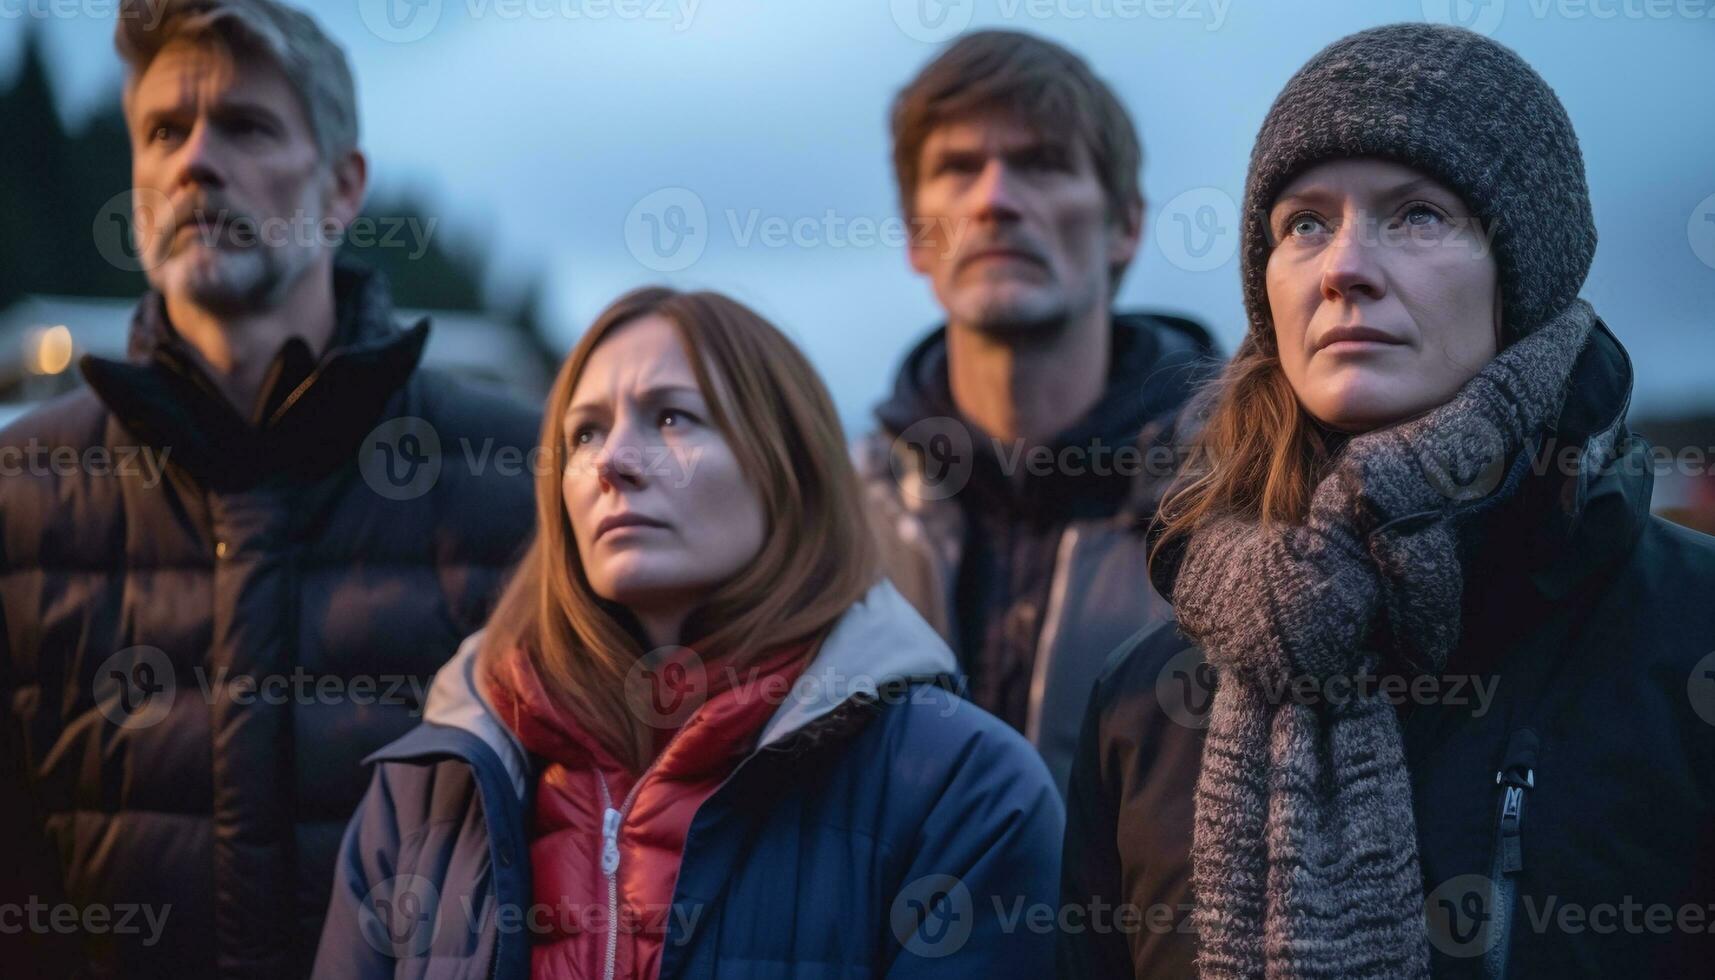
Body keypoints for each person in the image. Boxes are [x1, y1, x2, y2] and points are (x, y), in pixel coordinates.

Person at [1060, 23, 1715, 980]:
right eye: (1304, 223)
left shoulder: (1685, 634)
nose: (1343, 268)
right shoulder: (1144, 699)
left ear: (1522, 271)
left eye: (1415, 215)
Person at [0, 1, 538, 975]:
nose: (196, 161)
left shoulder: (515, 480)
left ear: (342, 188)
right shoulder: (23, 491)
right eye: (163, 131)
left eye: (246, 126)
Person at [313, 287, 1064, 979]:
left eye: (673, 416)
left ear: (790, 470)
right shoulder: (433, 787)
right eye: (584, 434)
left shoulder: (963, 787)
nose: (612, 462)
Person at [856, 30, 1218, 796]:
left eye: (1041, 164)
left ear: (1124, 225)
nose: (993, 200)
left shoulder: (1241, 505)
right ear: (918, 236)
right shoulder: (827, 526)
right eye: (957, 169)